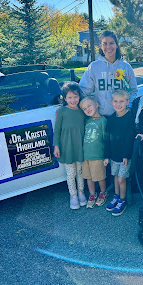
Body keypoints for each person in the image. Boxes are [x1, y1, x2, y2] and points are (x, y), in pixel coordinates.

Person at [79, 30, 138, 117]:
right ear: (100, 46)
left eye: (111, 43)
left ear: (117, 45)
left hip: (121, 117)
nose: (108, 47)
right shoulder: (94, 67)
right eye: (105, 44)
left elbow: (133, 91)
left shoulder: (126, 67)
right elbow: (83, 91)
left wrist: (128, 107)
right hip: (101, 117)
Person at [53, 82, 87, 210]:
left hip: (80, 146)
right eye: (70, 97)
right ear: (65, 98)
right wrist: (56, 146)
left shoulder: (82, 111)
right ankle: (73, 195)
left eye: (75, 96)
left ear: (79, 96)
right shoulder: (61, 111)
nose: (73, 100)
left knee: (80, 172)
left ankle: (81, 192)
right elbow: (57, 130)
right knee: (71, 173)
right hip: (67, 147)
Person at [103, 90, 135, 216]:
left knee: (122, 179)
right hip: (113, 155)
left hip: (124, 157)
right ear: (111, 102)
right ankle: (116, 197)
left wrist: (126, 155)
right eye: (115, 101)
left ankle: (123, 200)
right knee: (115, 177)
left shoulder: (129, 118)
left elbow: (130, 138)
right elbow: (107, 138)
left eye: (121, 101)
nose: (118, 104)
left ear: (127, 102)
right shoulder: (110, 119)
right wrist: (106, 155)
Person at [79, 96, 108, 209]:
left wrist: (106, 156)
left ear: (96, 104)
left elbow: (106, 139)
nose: (87, 109)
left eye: (89, 106)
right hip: (86, 155)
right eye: (84, 108)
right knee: (88, 177)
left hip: (97, 155)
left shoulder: (103, 120)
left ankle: (103, 192)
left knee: (100, 177)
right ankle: (92, 194)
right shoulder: (86, 121)